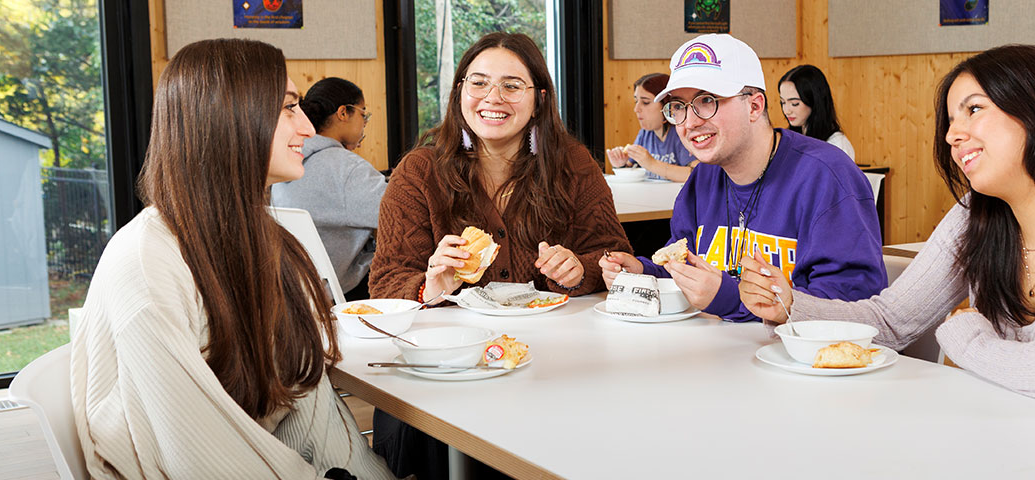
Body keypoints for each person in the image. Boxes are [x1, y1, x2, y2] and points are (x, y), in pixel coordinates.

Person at [740, 45, 1035, 417]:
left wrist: (966, 338)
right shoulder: (976, 214)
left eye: (973, 110)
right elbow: (891, 322)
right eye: (951, 120)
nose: (953, 135)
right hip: (1017, 443)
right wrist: (791, 306)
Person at [70, 39, 395, 478]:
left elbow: (307, 406)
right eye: (288, 108)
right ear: (229, 119)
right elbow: (200, 452)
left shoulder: (258, 240)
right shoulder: (148, 263)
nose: (306, 127)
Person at [369, 32, 631, 478]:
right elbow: (385, 282)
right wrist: (429, 285)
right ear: (459, 92)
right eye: (479, 83)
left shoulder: (572, 164)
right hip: (450, 372)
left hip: (555, 364)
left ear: (539, 99)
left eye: (512, 85)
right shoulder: (419, 172)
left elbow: (614, 253)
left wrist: (579, 269)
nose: (493, 97)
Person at [600, 34, 886, 324]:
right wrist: (644, 273)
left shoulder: (827, 176)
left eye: (707, 101)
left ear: (754, 106)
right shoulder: (702, 179)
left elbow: (850, 304)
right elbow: (686, 268)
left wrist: (729, 298)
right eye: (679, 107)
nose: (690, 122)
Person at [272, 76, 387, 300]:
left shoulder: (286, 163)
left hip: (298, 289)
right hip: (341, 292)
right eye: (363, 114)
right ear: (343, 113)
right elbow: (403, 211)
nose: (364, 123)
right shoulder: (347, 168)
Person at [605, 73, 698, 182]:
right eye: (636, 101)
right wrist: (621, 165)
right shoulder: (645, 134)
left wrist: (652, 164)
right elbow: (632, 168)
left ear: (667, 105)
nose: (636, 109)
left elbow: (697, 174)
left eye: (645, 102)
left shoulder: (681, 133)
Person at [778, 64, 855, 162]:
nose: (786, 111)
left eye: (794, 103)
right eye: (783, 102)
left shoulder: (837, 145)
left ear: (814, 101)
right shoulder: (789, 140)